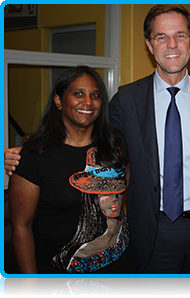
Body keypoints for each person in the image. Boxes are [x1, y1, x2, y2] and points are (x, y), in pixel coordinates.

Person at [5, 4, 190, 274]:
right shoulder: (127, 100)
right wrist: (26, 154)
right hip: (153, 230)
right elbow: (88, 132)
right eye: (161, 37)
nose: (172, 44)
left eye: (179, 35)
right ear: (149, 45)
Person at [7, 66, 133, 274]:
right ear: (58, 101)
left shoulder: (116, 143)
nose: (88, 102)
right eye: (78, 94)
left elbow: (126, 185)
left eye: (95, 95)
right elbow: (22, 226)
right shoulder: (35, 156)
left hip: (122, 268)